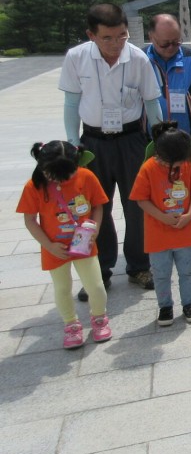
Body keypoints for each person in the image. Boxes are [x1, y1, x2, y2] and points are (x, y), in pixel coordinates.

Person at [59, 3, 163, 300]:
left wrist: (159, 142)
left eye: (122, 36)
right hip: (92, 142)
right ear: (91, 35)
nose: (116, 44)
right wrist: (73, 144)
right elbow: (71, 104)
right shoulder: (76, 57)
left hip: (131, 140)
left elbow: (152, 102)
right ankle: (100, 270)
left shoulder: (138, 58)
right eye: (107, 38)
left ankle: (139, 266)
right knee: (94, 206)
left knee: (138, 204)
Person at [16, 141, 111, 349]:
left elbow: (98, 206)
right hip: (54, 248)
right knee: (62, 288)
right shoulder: (34, 186)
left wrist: (94, 229)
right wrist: (49, 246)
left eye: (65, 176)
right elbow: (30, 220)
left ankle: (99, 318)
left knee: (95, 285)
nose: (59, 180)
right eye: (53, 175)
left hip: (84, 244)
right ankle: (71, 324)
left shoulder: (86, 177)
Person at [130, 122, 191, 326]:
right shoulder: (148, 168)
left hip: (185, 231)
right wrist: (162, 217)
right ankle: (165, 306)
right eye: (175, 164)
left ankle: (189, 304)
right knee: (161, 274)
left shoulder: (190, 164)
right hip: (158, 234)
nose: (179, 167)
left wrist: (190, 214)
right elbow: (141, 199)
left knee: (187, 271)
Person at [146, 13, 191, 149]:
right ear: (151, 37)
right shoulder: (141, 59)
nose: (171, 47)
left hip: (187, 137)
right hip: (150, 139)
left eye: (176, 42)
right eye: (165, 44)